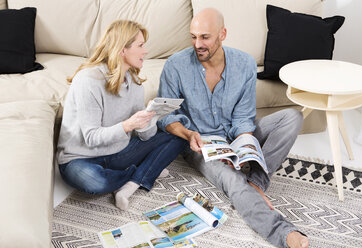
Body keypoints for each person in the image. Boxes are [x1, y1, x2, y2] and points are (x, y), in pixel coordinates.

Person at [158, 8, 308, 248]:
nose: (198, 44)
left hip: (234, 135)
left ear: (222, 34)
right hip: (200, 145)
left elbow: (243, 118)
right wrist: (188, 135)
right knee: (232, 181)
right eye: (193, 36)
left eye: (205, 37)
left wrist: (241, 150)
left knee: (292, 117)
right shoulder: (175, 66)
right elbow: (165, 117)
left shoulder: (244, 63)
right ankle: (281, 232)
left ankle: (256, 183)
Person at [56, 20, 187, 211]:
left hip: (117, 152)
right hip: (79, 159)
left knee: (178, 136)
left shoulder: (134, 83)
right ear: (122, 50)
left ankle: (129, 185)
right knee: (96, 182)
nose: (146, 51)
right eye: (140, 45)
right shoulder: (88, 81)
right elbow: (92, 138)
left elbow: (145, 136)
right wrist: (128, 125)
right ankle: (145, 171)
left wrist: (149, 118)